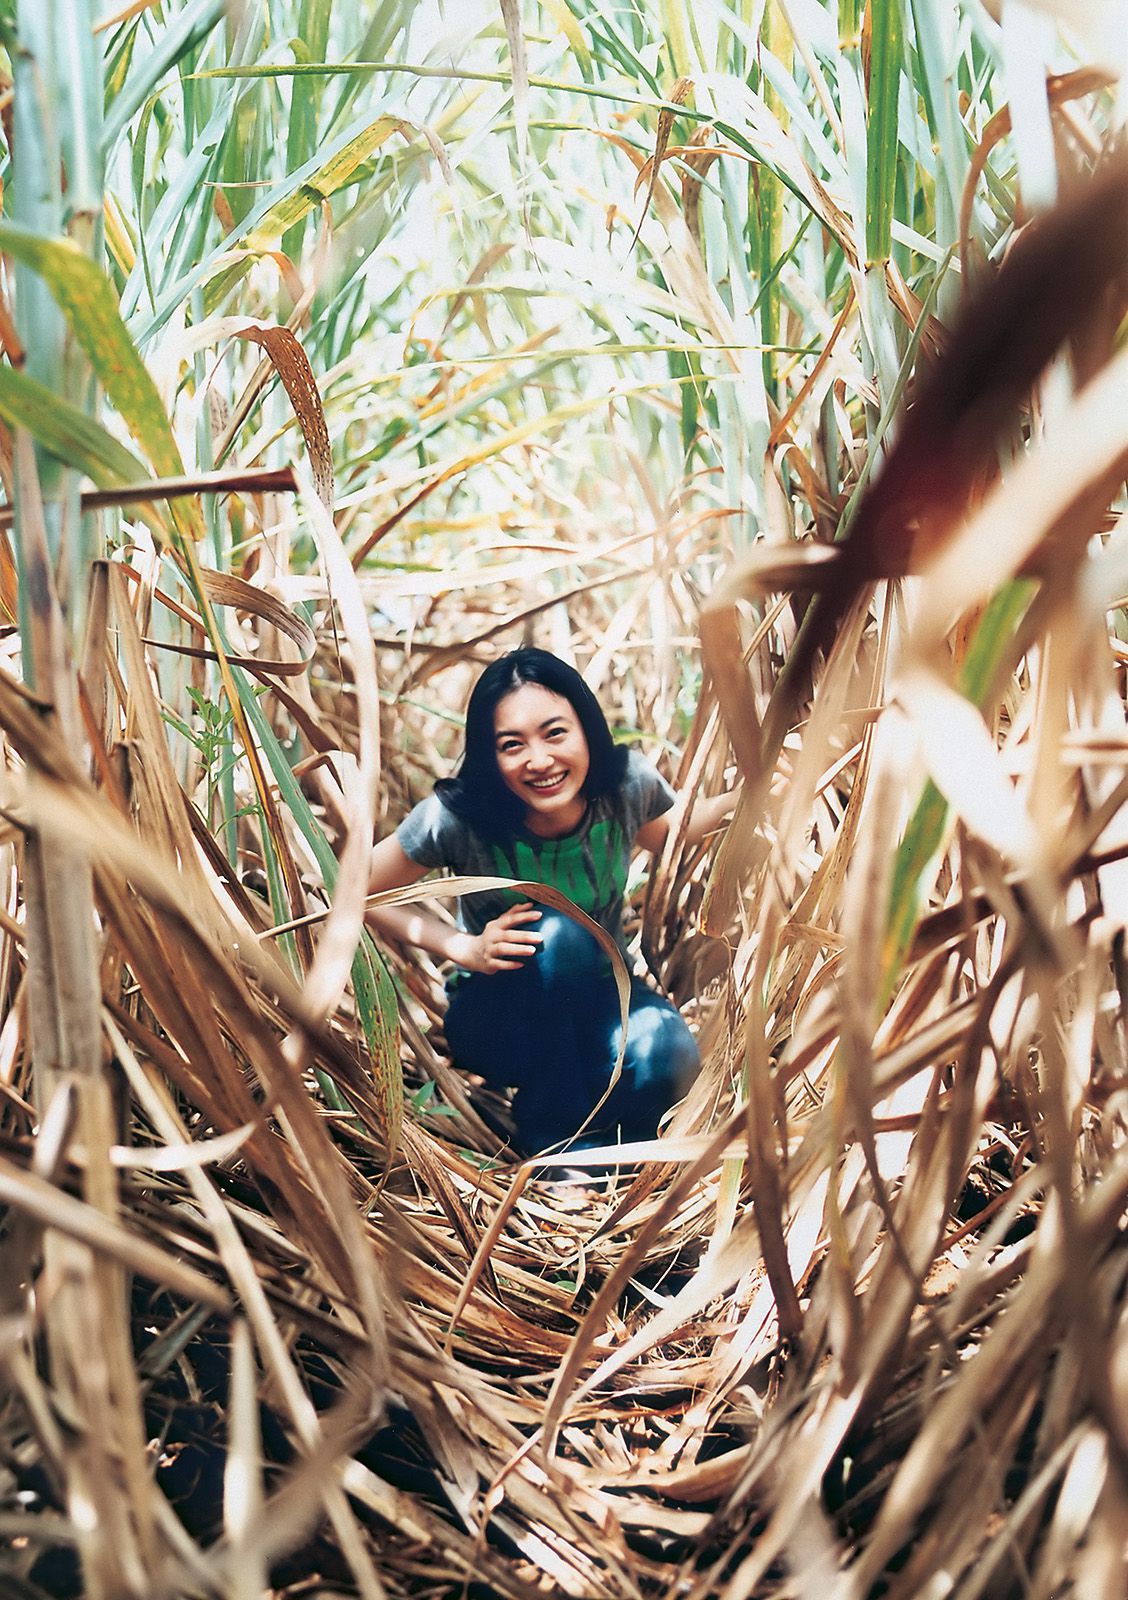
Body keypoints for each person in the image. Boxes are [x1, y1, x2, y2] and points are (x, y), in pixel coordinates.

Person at [366, 648, 736, 1157]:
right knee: (560, 937)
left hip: (606, 995)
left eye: (555, 733)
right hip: (499, 1016)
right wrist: (461, 946)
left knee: (665, 1052)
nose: (539, 760)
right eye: (512, 745)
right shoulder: (457, 817)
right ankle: (551, 1137)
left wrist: (752, 794)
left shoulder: (625, 787)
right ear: (489, 755)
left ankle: (614, 1150)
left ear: (587, 729)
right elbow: (356, 887)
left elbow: (671, 831)